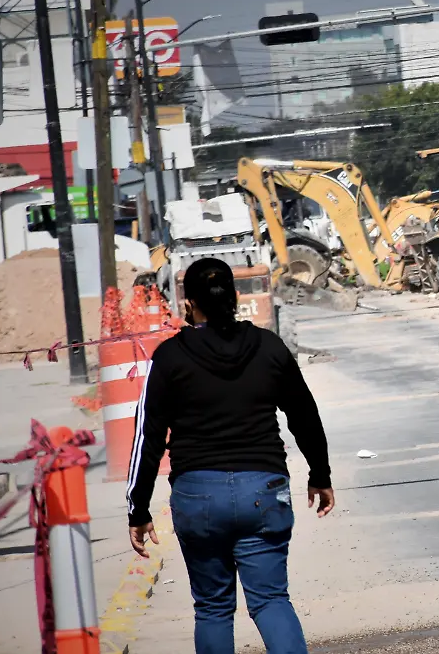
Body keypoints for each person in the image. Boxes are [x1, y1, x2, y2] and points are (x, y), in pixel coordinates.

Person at [127, 258, 332, 654]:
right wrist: (319, 474)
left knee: (213, 608)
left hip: (198, 495)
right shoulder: (269, 346)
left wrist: (138, 508)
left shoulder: (169, 358)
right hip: (264, 488)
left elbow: (147, 437)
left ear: (188, 304)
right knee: (271, 600)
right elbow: (304, 415)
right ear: (235, 299)